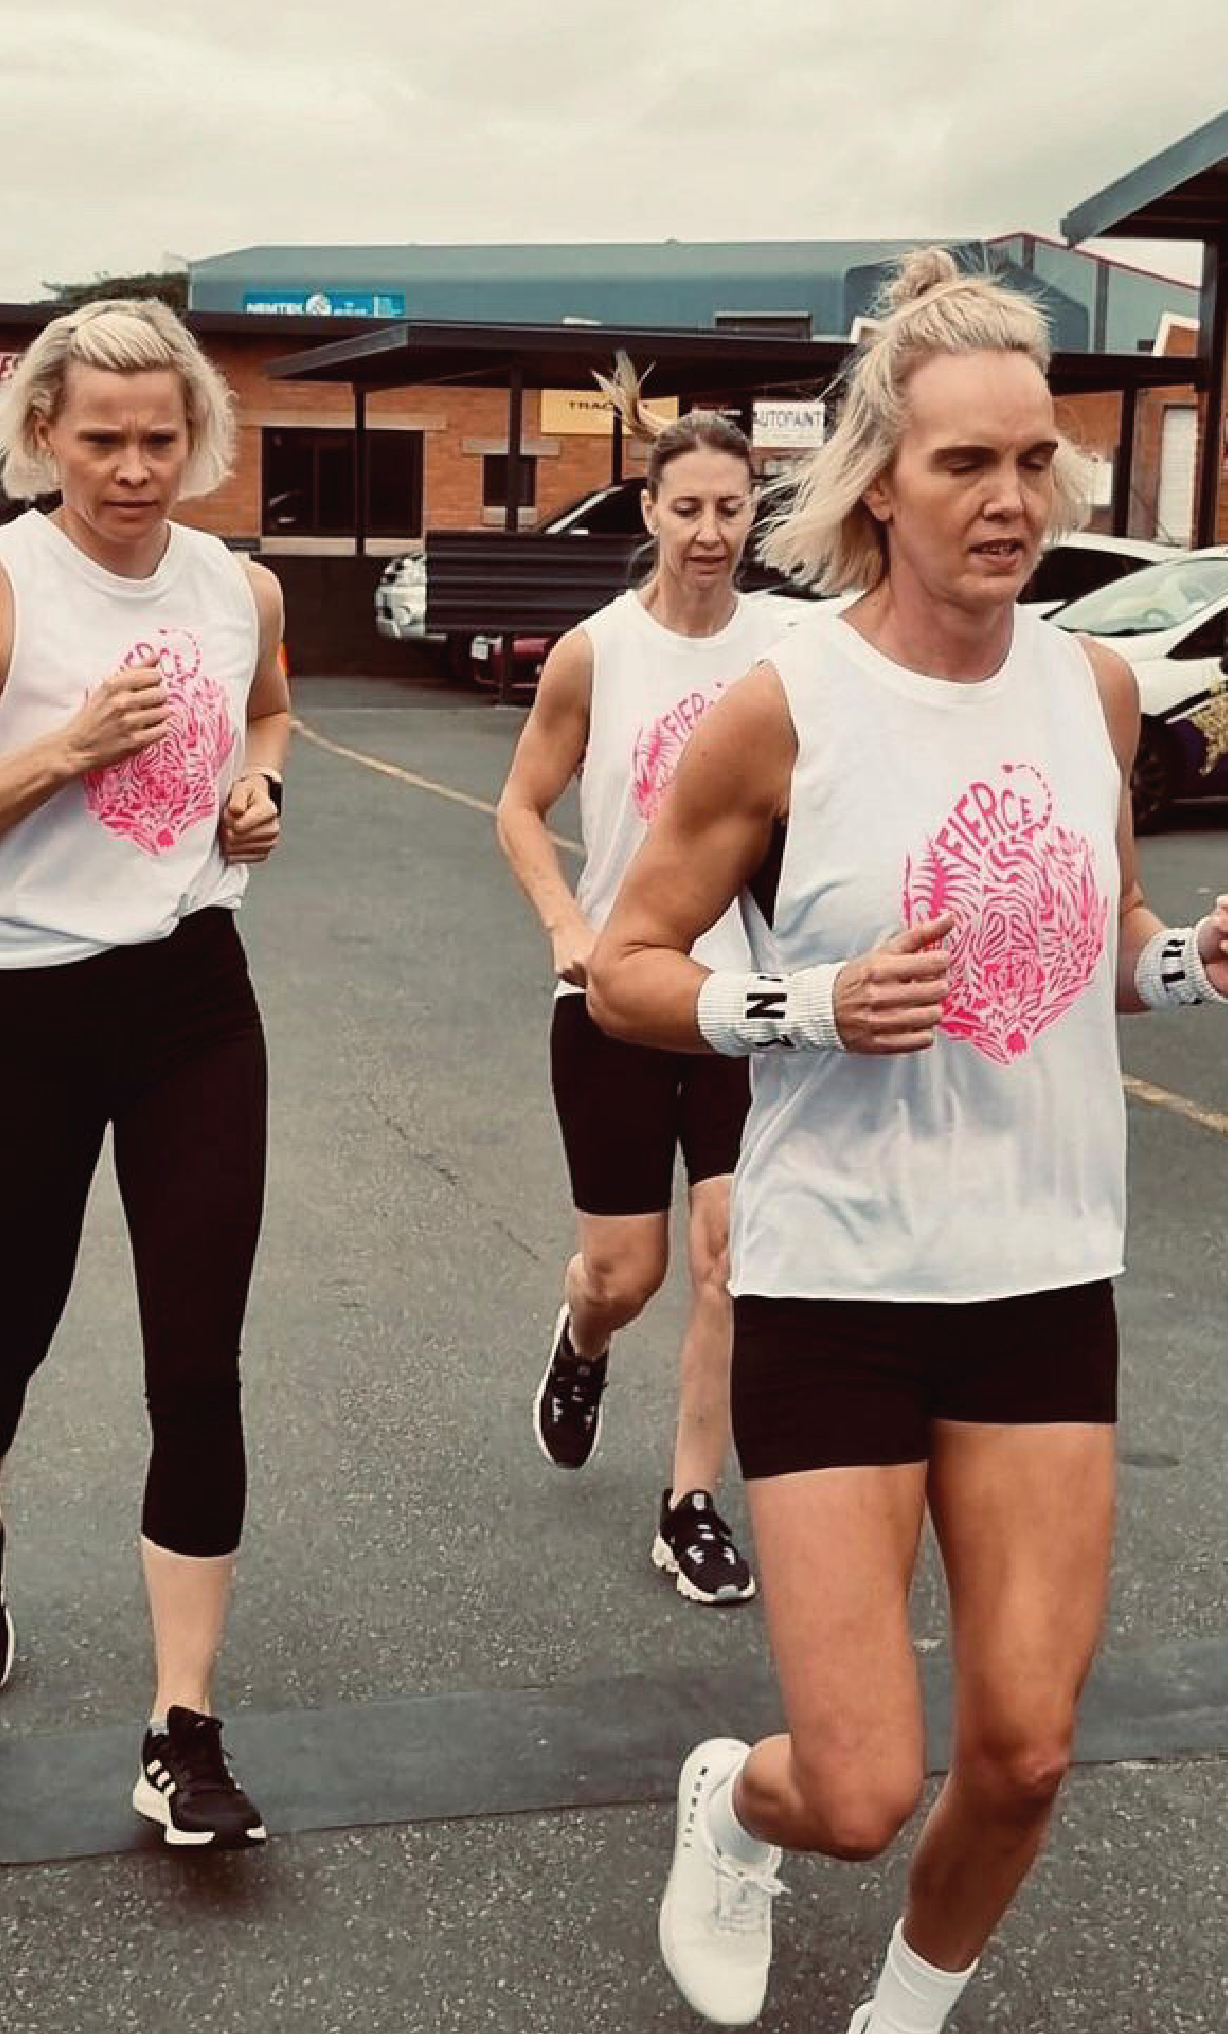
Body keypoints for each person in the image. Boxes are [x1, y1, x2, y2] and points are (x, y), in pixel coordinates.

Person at [588, 250, 1227, 2028]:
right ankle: (736, 1795)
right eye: (967, 463)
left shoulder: (1090, 695)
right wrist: (797, 1005)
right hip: (835, 1281)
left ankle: (902, 2010)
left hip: (1037, 1272)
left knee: (1020, 1749)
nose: (1012, 497)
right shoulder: (784, 706)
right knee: (859, 1785)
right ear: (881, 480)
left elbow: (1069, 970)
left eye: (1035, 461)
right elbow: (622, 968)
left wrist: (1181, 962)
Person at [0, 297, 291, 1849]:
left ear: (197, 434)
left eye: (161, 437)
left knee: (198, 1359)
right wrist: (63, 749)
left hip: (194, 996)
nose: (134, 469)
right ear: (44, 431)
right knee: (9, 1327)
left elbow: (265, 709)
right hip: (29, 1005)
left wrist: (257, 788)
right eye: (103, 438)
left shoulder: (237, 585)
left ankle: (180, 1729)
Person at [496, 360, 780, 1604]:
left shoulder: (793, 651)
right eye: (689, 508)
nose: (710, 532)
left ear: (754, 514)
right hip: (613, 1001)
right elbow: (518, 806)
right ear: (649, 512)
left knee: (726, 1252)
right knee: (633, 1271)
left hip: (745, 1000)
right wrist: (567, 919)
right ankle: (583, 1332)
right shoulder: (595, 655)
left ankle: (691, 1502)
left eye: (732, 509)